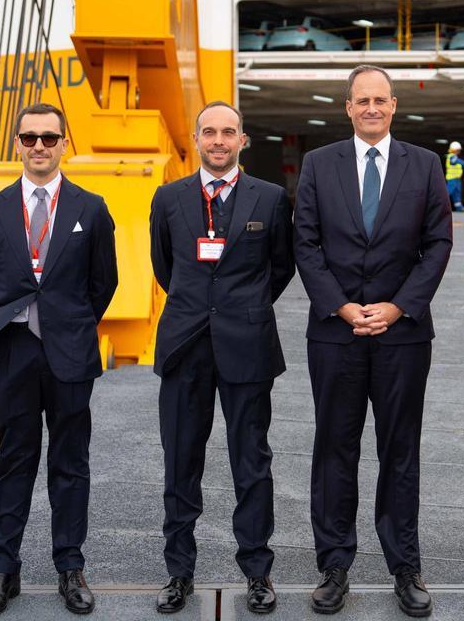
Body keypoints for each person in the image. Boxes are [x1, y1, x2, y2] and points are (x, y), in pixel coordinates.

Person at [294, 65, 453, 618]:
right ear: (347, 107)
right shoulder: (319, 165)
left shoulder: (425, 165)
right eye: (361, 100)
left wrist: (398, 305)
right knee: (334, 450)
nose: (371, 108)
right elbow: (306, 243)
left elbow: (437, 244)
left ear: (394, 106)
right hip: (335, 335)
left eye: (380, 100)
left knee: (399, 451)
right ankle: (334, 566)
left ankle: (405, 566)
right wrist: (341, 306)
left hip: (402, 335)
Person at [0, 102, 118, 618]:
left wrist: (68, 322)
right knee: (13, 462)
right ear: (17, 144)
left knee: (71, 464)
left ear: (64, 143)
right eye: (30, 138)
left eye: (50, 138)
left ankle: (70, 568)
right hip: (14, 352)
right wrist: (16, 323)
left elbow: (104, 282)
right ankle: (4, 570)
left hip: (70, 353)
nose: (40, 147)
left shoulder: (91, 208)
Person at [149, 101, 295, 616]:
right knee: (179, 465)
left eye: (227, 132)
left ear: (242, 140)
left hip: (247, 347)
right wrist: (202, 308)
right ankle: (178, 573)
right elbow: (165, 267)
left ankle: (257, 572)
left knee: (252, 463)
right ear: (196, 138)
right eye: (209, 132)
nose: (218, 140)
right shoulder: (168, 199)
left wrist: (243, 310)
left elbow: (281, 268)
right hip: (185, 347)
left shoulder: (273, 199)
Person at [446, 141, 464, 210]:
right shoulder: (451, 156)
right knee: (448, 192)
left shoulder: (455, 157)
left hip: (457, 179)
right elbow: (454, 161)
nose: (459, 151)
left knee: (457, 193)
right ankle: (438, 205)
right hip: (452, 179)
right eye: (458, 150)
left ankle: (459, 207)